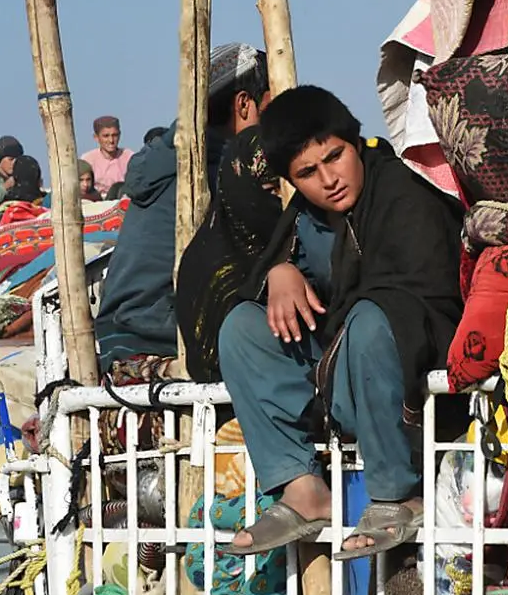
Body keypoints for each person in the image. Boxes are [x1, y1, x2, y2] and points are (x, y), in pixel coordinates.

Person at [217, 86, 463, 561]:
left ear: (355, 142)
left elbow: (424, 297)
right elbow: (275, 284)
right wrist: (279, 273)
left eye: (335, 156)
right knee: (242, 328)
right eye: (307, 173)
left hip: (412, 371)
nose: (329, 180)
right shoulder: (306, 215)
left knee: (373, 317)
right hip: (340, 371)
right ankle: (303, 491)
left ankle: (398, 495)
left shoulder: (405, 191)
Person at [93, 43, 272, 370]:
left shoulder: (168, 159)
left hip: (119, 326)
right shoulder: (219, 170)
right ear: (244, 104)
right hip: (155, 326)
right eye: (271, 108)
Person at [176, 123, 282, 384]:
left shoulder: (287, 247)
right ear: (241, 189)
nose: (280, 202)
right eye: (271, 191)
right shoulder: (217, 268)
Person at [81, 116, 135, 197]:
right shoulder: (88, 159)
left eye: (114, 135)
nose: (111, 140)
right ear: (96, 137)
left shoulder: (130, 157)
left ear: (119, 135)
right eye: (106, 136)